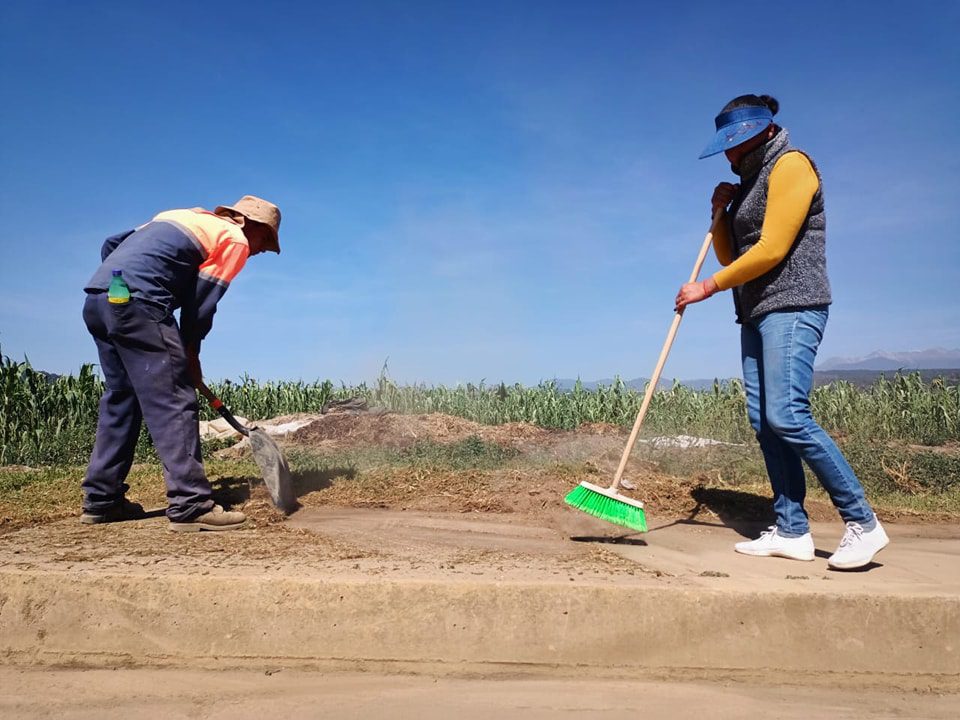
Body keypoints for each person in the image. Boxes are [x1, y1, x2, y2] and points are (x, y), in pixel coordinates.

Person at [675, 95, 888, 570]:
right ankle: (792, 530)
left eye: (735, 145)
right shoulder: (748, 184)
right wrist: (720, 215)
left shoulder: (792, 165)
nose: (729, 155)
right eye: (725, 148)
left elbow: (771, 249)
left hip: (793, 305)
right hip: (754, 311)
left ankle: (864, 523)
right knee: (764, 421)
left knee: (788, 415)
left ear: (763, 131)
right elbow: (733, 259)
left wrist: (705, 288)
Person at [80, 195, 282, 531]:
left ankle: (102, 501)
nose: (260, 249)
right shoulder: (233, 239)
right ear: (246, 222)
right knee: (174, 398)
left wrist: (122, 284)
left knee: (123, 398)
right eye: (264, 239)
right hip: (140, 303)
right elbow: (202, 301)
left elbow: (112, 244)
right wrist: (191, 352)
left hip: (101, 297)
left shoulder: (178, 216)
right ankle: (190, 504)